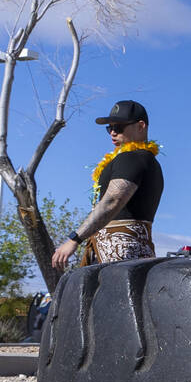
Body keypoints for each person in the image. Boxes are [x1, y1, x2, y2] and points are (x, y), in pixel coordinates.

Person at [52, 100, 164, 269]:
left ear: (140, 126)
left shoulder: (133, 158)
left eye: (118, 127)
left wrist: (74, 239)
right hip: (130, 255)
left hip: (122, 255)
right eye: (109, 128)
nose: (112, 132)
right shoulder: (146, 160)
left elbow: (113, 200)